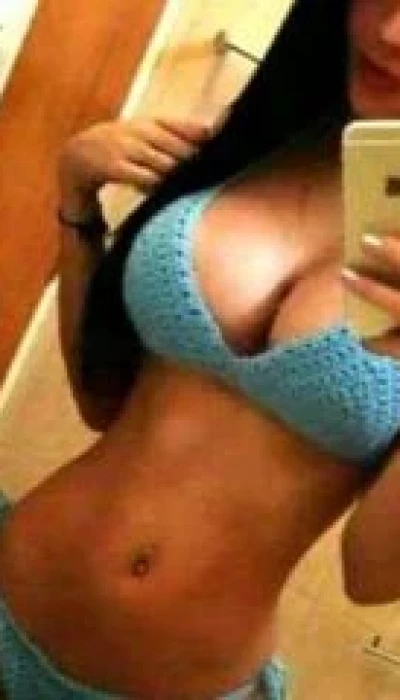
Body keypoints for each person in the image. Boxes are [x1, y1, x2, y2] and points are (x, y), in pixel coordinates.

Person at [1, 0, 400, 697]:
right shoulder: (262, 140)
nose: (392, 34)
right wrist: (78, 201)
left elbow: (370, 574)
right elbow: (102, 403)